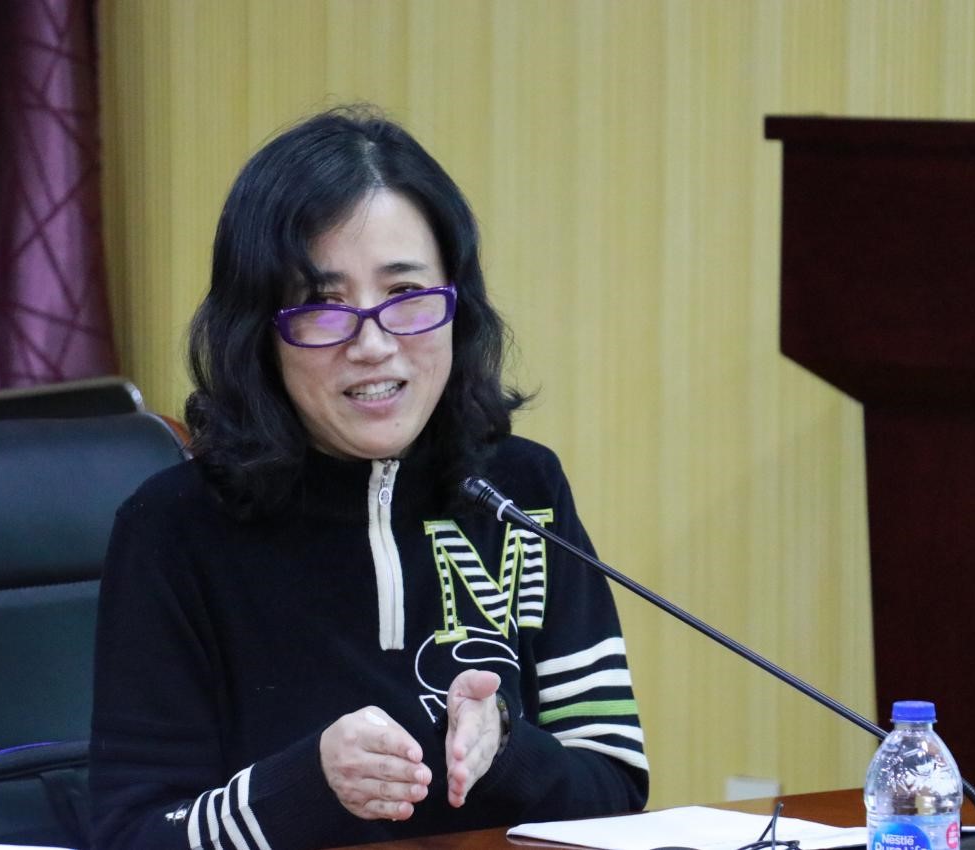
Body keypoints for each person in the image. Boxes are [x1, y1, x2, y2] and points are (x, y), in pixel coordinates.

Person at [89, 105, 649, 850]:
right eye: (322, 308)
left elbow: (616, 786)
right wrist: (308, 786)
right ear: (258, 332)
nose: (374, 345)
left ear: (456, 305)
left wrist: (507, 749)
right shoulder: (174, 529)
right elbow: (130, 835)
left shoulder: (521, 491)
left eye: (406, 295)